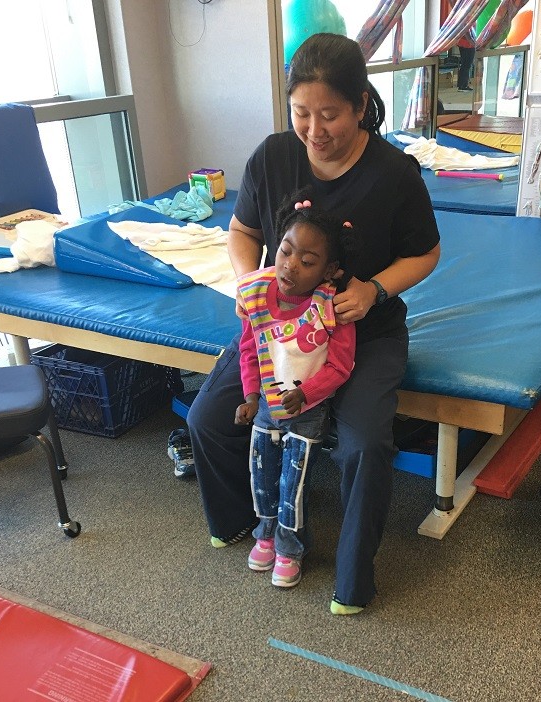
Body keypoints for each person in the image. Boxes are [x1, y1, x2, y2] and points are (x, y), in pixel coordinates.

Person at [186, 32, 441, 615]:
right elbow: (243, 232)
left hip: (362, 330)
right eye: (302, 113)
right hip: (279, 330)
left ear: (359, 104)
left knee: (362, 446)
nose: (314, 129)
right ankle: (243, 525)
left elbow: (426, 253)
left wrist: (372, 290)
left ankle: (352, 580)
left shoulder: (394, 173)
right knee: (206, 418)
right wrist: (250, 287)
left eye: (329, 114)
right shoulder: (273, 156)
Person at [235, 191, 359, 589]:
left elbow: (341, 366)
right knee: (261, 474)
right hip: (267, 407)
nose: (290, 266)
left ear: (329, 271)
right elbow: (249, 349)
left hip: (308, 410)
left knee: (294, 482)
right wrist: (250, 395)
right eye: (285, 252)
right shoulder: (255, 295)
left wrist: (307, 394)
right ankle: (265, 533)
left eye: (307, 262)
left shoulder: (331, 308)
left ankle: (290, 548)